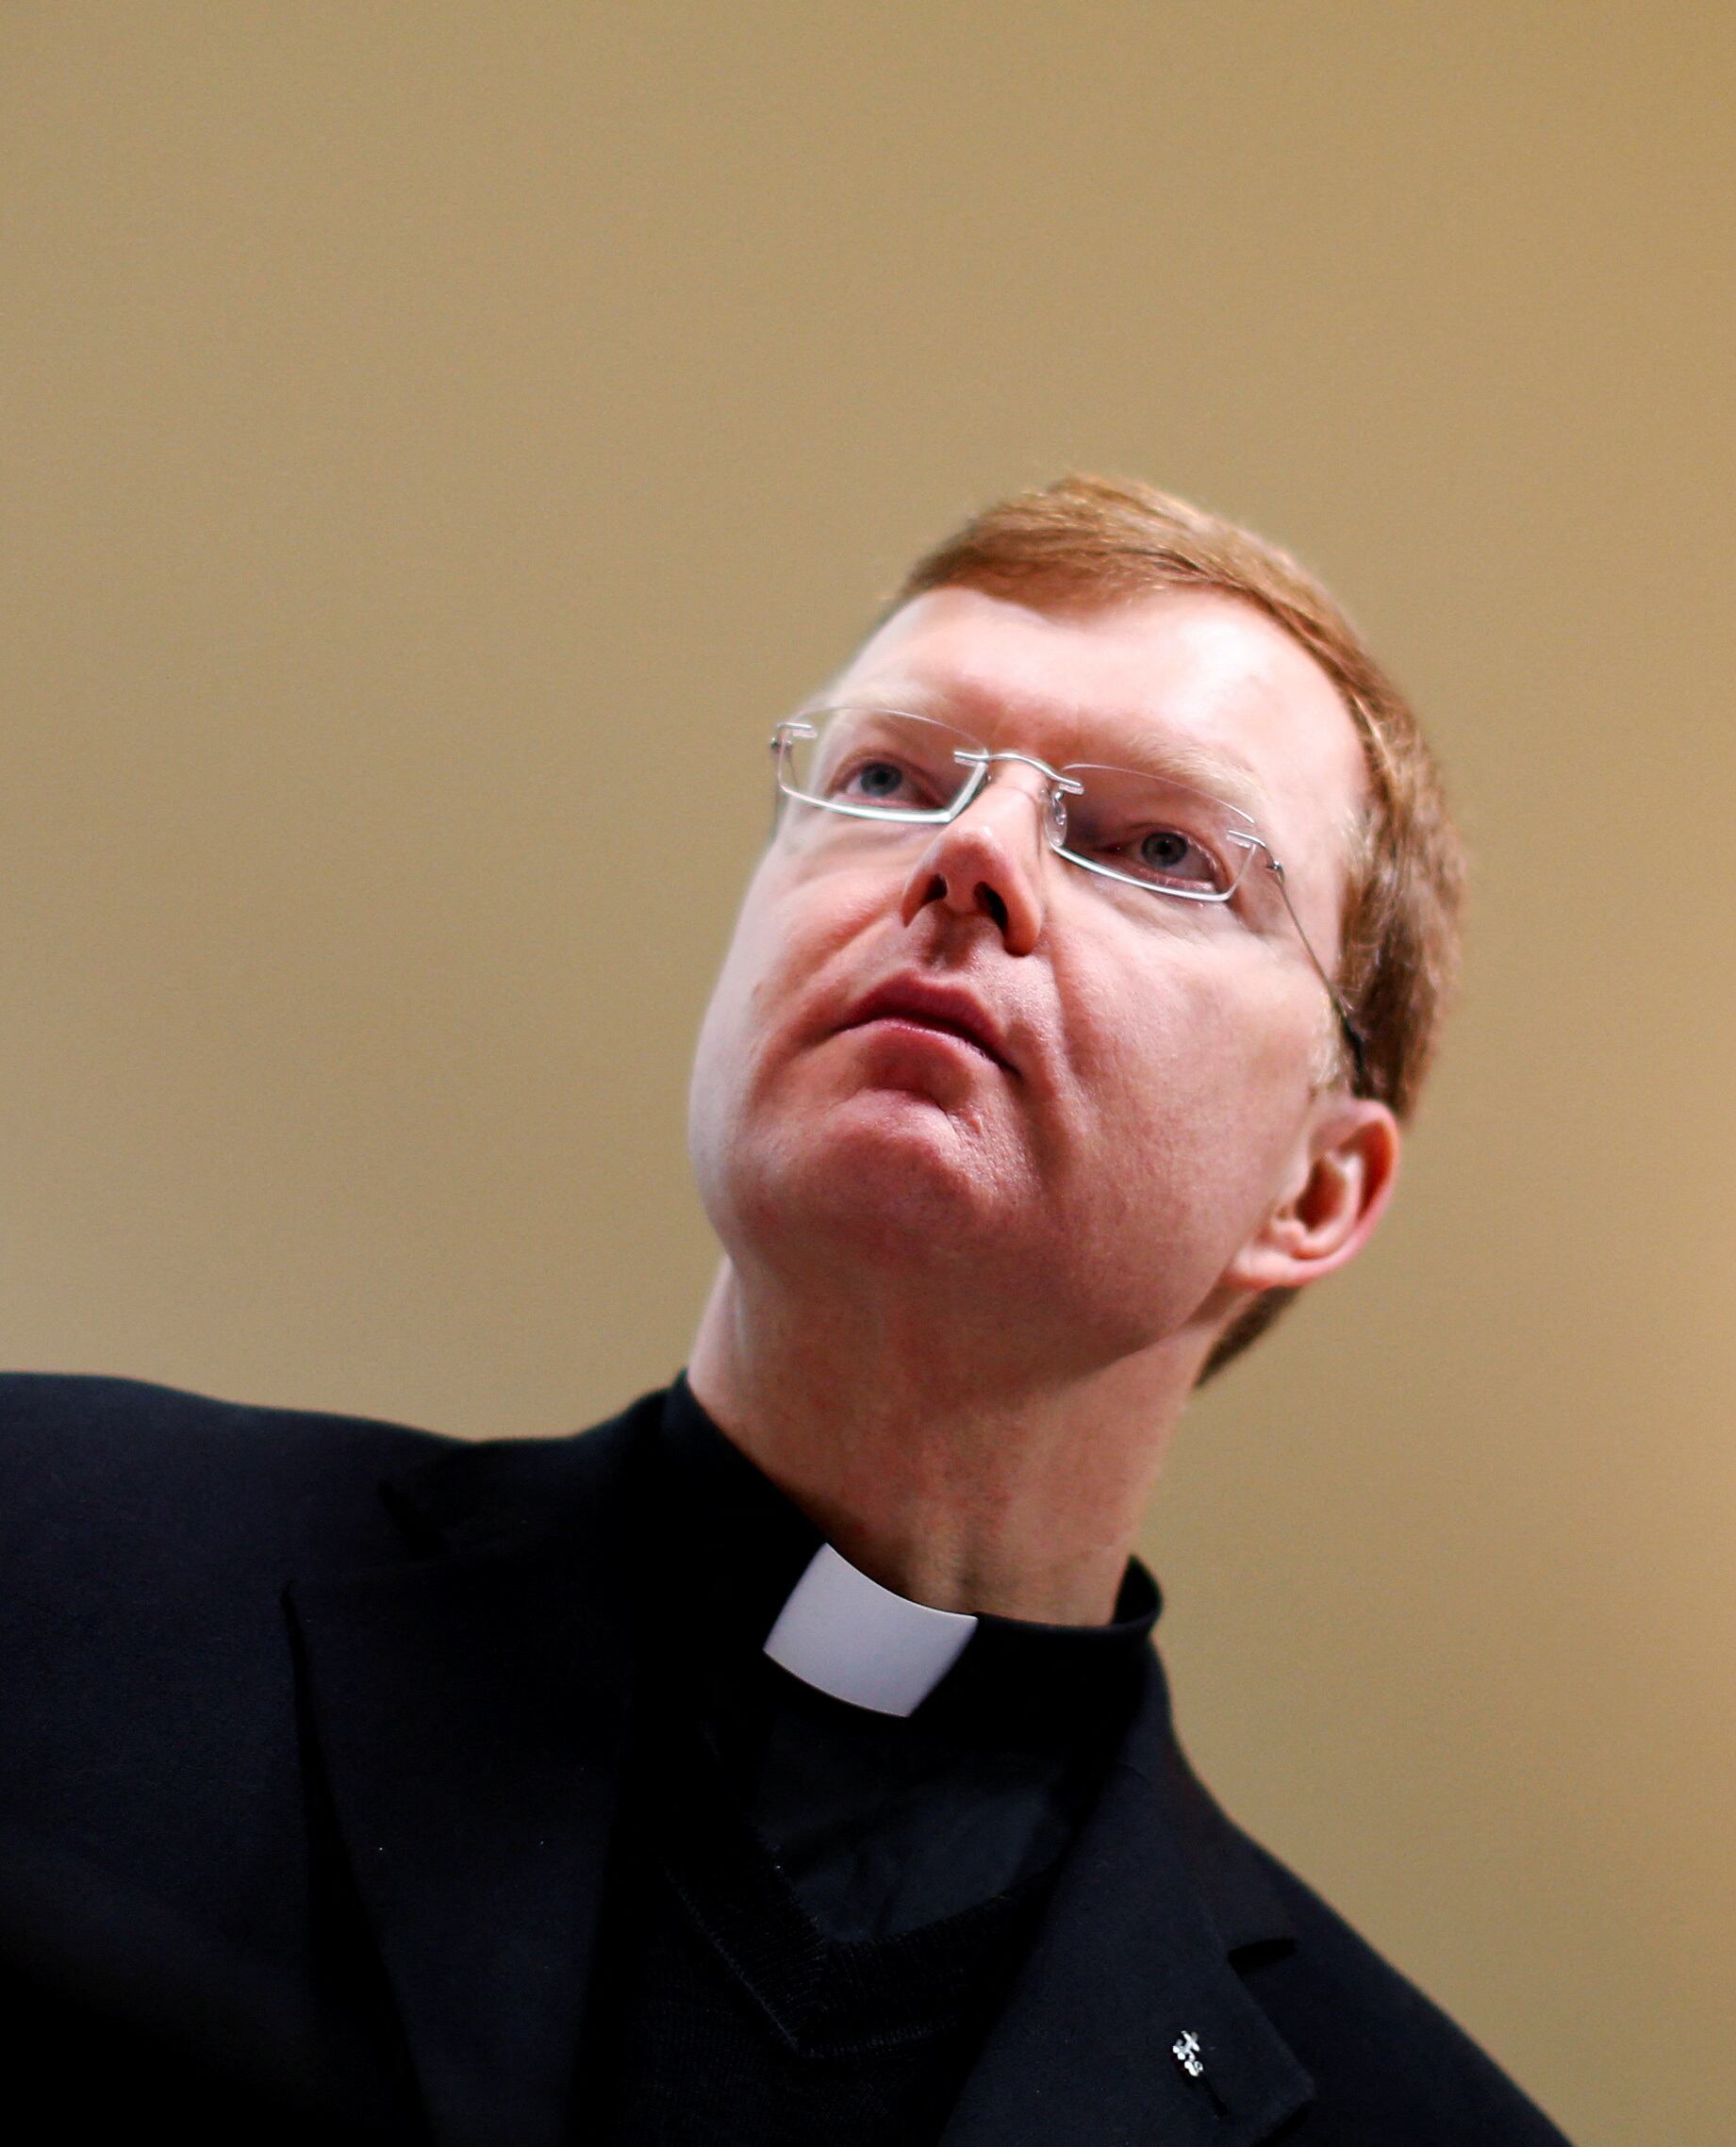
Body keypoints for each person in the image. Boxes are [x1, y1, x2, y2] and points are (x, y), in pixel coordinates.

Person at [0, 477, 1564, 2145]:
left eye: (1160, 847)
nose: (970, 855)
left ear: (1315, 1190)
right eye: (889, 777)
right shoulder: (54, 1550)